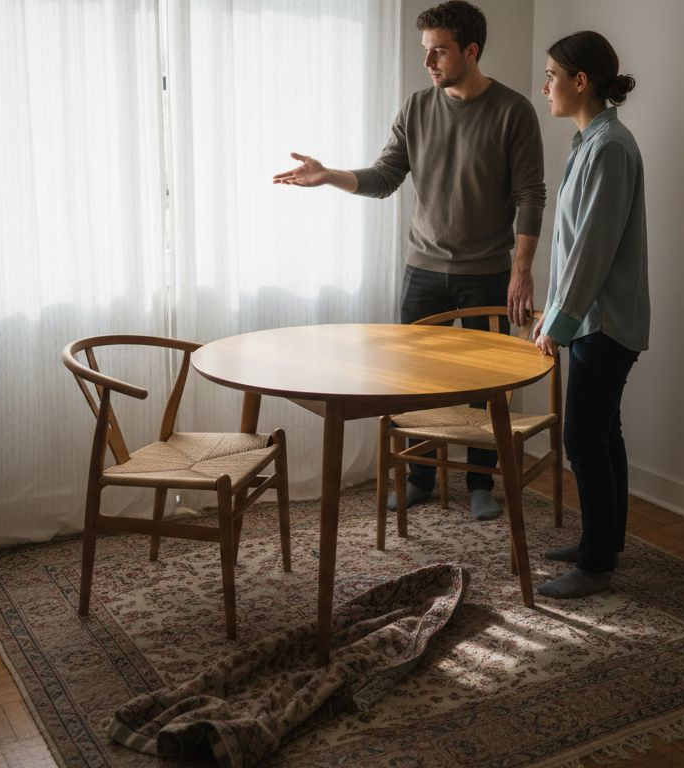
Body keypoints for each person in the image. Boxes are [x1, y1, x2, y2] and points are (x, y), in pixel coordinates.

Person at [273, 1, 545, 521]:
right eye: (426, 51)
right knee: (414, 382)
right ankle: (420, 475)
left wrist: (522, 269)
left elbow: (531, 194)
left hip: (487, 271)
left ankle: (481, 483)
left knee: (485, 383)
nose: (429, 63)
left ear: (471, 50)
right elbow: (383, 177)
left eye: (439, 51)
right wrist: (329, 174)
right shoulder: (417, 107)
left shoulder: (513, 112)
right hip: (422, 270)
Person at [533, 31, 649, 599]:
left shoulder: (609, 148)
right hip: (592, 319)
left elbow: (592, 253)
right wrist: (553, 312)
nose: (545, 85)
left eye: (552, 74)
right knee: (605, 435)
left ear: (581, 82)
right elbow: (570, 244)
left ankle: (596, 564)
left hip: (603, 323)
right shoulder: (588, 143)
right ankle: (604, 542)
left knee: (583, 441)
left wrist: (559, 323)